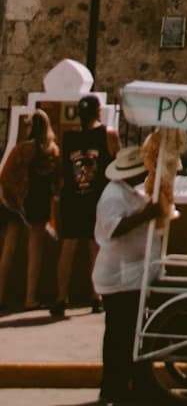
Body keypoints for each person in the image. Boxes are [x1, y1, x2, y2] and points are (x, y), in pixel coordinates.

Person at [92, 144, 159, 405]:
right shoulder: (113, 196)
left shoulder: (128, 191)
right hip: (117, 276)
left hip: (130, 273)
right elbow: (114, 228)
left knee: (131, 332)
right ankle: (113, 387)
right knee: (119, 334)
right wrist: (145, 215)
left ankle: (135, 383)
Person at [53, 95, 118, 317]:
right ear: (99, 112)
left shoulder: (69, 137)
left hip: (72, 198)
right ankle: (96, 296)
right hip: (97, 199)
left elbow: (62, 171)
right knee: (95, 248)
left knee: (68, 247)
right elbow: (118, 164)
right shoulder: (107, 134)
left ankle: (61, 298)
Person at [0, 110, 59, 312]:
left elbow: (5, 175)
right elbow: (56, 181)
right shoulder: (52, 151)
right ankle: (30, 298)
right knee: (35, 251)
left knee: (8, 250)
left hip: (18, 204)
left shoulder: (20, 149)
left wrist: (14, 196)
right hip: (39, 202)